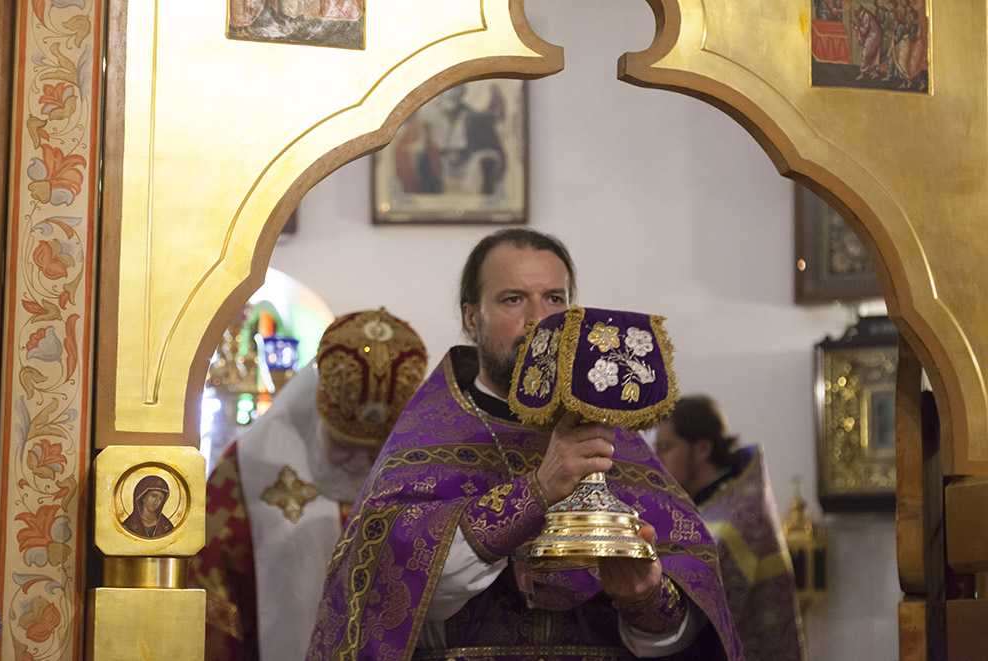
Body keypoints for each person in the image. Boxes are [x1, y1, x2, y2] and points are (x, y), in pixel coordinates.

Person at [307, 229, 743, 660]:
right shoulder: (428, 436)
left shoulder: (616, 439)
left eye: (554, 298)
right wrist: (537, 490)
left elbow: (691, 619)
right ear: (472, 318)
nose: (539, 319)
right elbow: (387, 589)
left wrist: (645, 597)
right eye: (513, 299)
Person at [188, 308, 428, 660]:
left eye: (375, 450)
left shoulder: (425, 477)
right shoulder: (246, 473)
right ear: (318, 417)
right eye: (343, 445)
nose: (359, 463)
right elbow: (211, 602)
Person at [654, 395, 807, 660]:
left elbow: (698, 616)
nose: (656, 460)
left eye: (665, 447)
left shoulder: (732, 523)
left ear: (702, 449)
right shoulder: (706, 505)